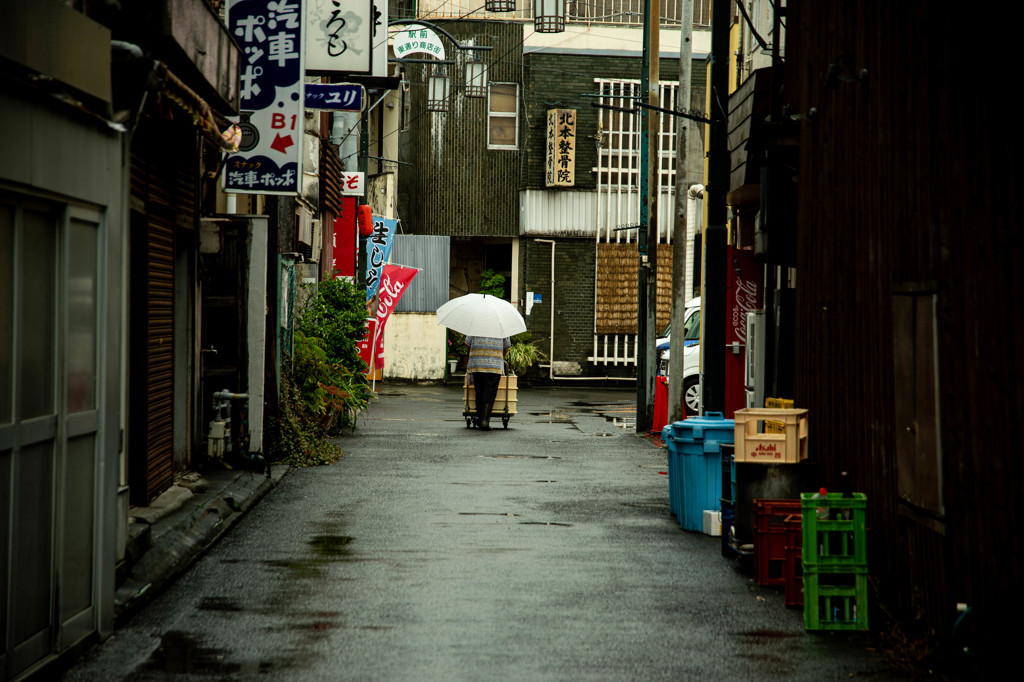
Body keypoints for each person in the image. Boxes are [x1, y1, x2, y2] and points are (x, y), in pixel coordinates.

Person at [465, 335, 511, 430]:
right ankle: (485, 421)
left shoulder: (475, 323)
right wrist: (501, 358)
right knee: (490, 392)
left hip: (477, 362)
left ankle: (479, 418)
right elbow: (506, 346)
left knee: (479, 390)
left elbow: (468, 343)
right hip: (494, 364)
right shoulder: (501, 326)